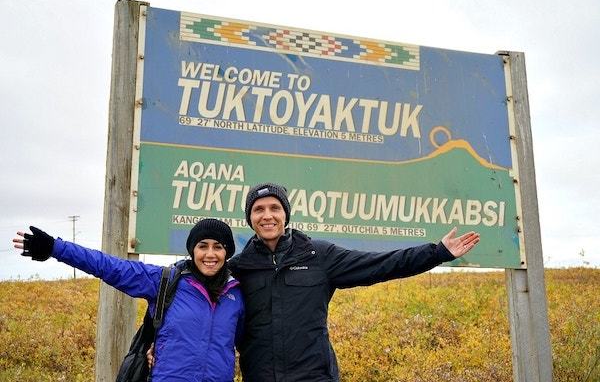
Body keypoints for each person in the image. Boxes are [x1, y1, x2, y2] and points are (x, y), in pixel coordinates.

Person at [227, 182, 480, 382]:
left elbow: (381, 264)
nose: (267, 216)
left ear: (286, 214)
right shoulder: (239, 268)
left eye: (275, 208)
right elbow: (197, 280)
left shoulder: (318, 255)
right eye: (258, 209)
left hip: (315, 377)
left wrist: (437, 253)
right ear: (250, 218)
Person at [13, 218, 244, 382]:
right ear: (192, 251)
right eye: (202, 246)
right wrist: (56, 247)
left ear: (228, 253)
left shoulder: (236, 294)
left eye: (218, 247)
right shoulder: (165, 280)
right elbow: (109, 266)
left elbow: (249, 341)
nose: (210, 254)